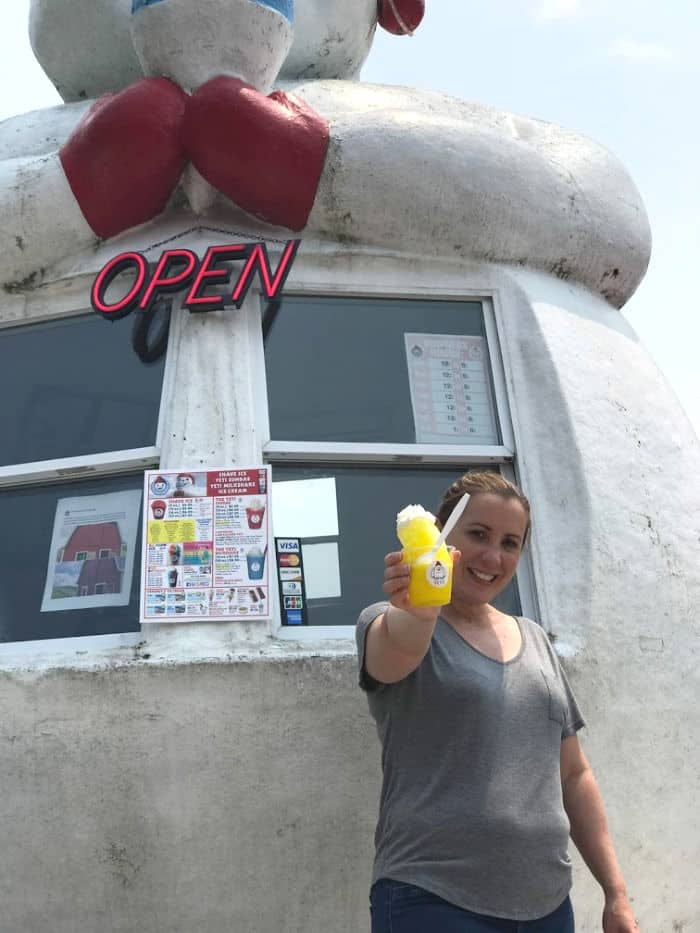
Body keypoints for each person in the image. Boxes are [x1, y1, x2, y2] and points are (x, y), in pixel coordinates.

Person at [356, 471, 639, 933]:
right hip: (432, 897)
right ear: (442, 533)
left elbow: (574, 773)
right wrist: (420, 609)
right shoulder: (393, 620)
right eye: (479, 534)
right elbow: (398, 654)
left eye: (510, 542)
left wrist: (616, 895)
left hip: (546, 904)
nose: (493, 556)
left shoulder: (535, 639)